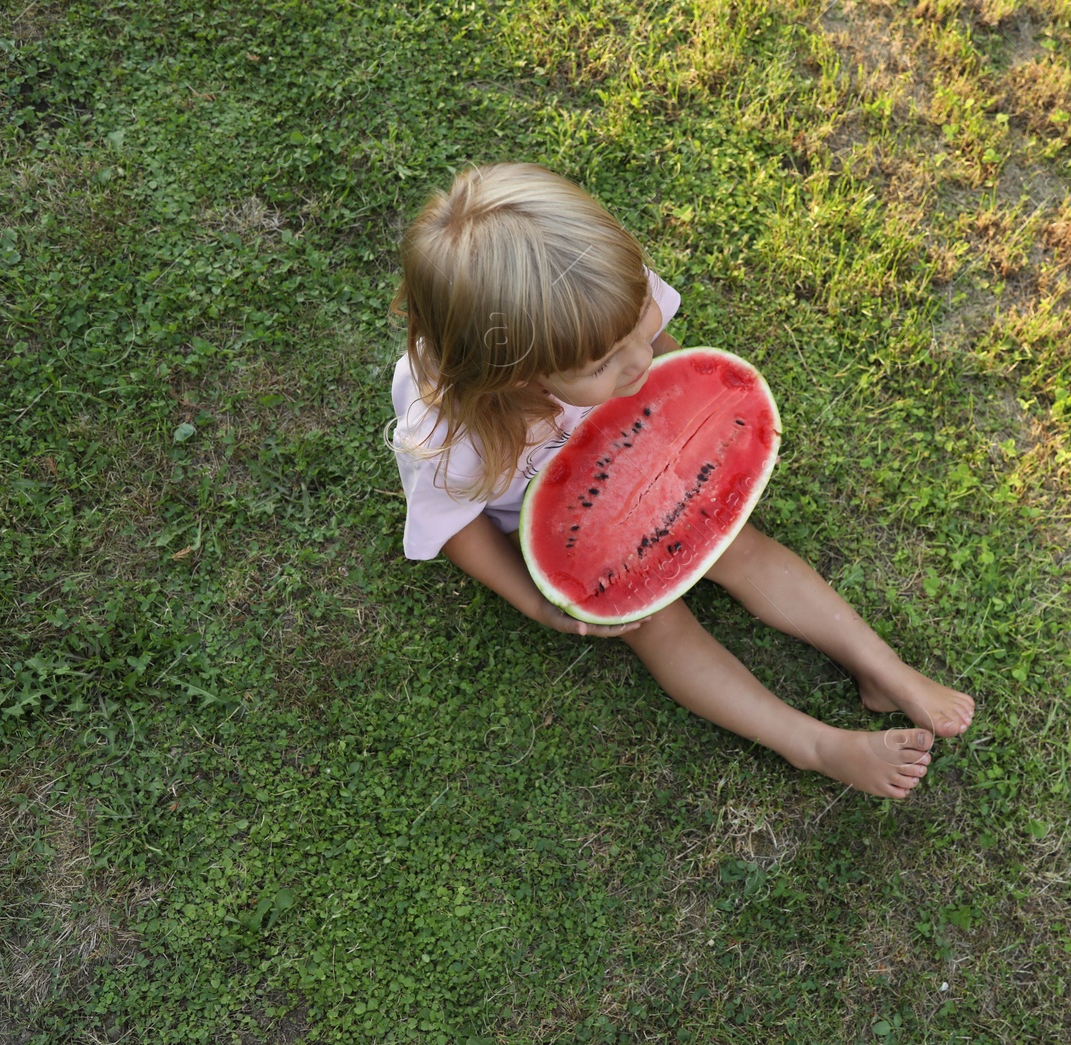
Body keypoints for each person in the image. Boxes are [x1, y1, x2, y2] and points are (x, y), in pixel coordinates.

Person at [387, 162, 975, 799]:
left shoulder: (603, 295)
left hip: (641, 460)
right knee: (655, 619)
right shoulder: (449, 430)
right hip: (552, 525)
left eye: (638, 326)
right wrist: (537, 603)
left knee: (741, 545)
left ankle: (883, 671)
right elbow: (457, 529)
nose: (641, 360)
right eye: (606, 363)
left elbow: (670, 370)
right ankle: (813, 745)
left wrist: (712, 430)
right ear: (513, 375)